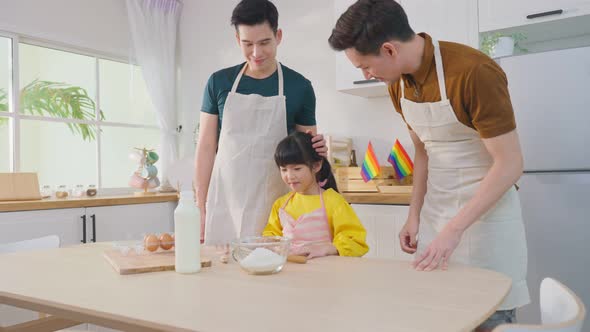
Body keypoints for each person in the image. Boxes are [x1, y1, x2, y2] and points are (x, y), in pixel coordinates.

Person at [328, 0, 529, 330]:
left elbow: (510, 164)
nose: (366, 75)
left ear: (389, 50)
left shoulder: (473, 72)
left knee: (490, 316)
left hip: (488, 224)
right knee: (440, 316)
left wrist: (454, 230)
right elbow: (423, 151)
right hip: (438, 218)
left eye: (365, 66)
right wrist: (414, 215)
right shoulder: (398, 85)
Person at [195, 0, 327, 247]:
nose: (256, 53)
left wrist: (319, 151)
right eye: (248, 44)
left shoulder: (300, 87)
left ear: (278, 36)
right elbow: (205, 146)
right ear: (238, 40)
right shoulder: (219, 82)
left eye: (264, 42)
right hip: (225, 202)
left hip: (276, 203)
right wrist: (200, 207)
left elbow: (306, 156)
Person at [263, 132, 369, 259]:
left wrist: (329, 248)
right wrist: (267, 243)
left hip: (325, 273)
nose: (289, 176)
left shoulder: (333, 201)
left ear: (316, 165)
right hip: (290, 272)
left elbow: (355, 241)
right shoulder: (280, 204)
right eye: (284, 169)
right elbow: (271, 235)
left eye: (297, 169)